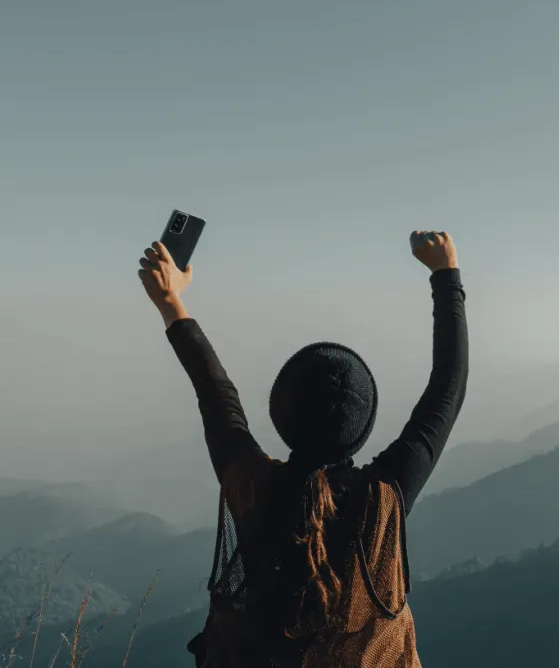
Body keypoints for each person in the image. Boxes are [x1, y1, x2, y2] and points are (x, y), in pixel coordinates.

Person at [137, 231, 468, 667]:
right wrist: (446, 275)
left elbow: (217, 396)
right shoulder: (383, 498)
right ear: (361, 424)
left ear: (282, 414)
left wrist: (170, 302)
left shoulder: (253, 486)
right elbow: (448, 389)